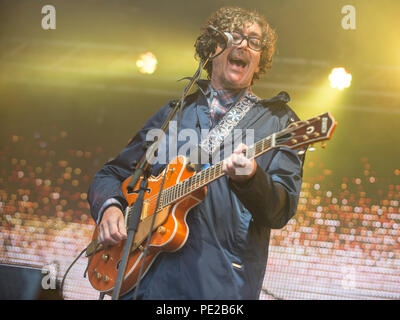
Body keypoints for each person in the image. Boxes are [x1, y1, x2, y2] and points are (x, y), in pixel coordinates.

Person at [88, 6, 305, 299]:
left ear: (259, 60)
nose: (244, 45)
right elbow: (112, 174)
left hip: (217, 287)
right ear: (213, 48)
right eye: (234, 36)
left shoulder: (279, 122)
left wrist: (251, 178)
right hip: (143, 283)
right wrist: (111, 207)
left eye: (254, 42)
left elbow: (280, 210)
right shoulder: (175, 113)